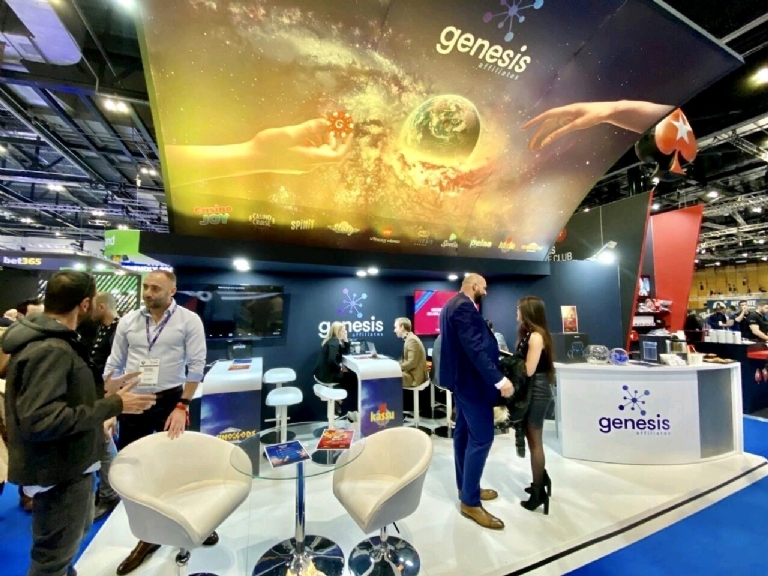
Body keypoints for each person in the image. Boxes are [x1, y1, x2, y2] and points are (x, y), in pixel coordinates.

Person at [2, 271, 153, 576]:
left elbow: (58, 396)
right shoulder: (51, 348)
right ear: (85, 304)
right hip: (60, 469)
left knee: (68, 542)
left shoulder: (50, 341)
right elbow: (41, 419)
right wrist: (114, 404)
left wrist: (102, 390)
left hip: (69, 466)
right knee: (52, 558)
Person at [104, 270, 209, 575]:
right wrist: (110, 405)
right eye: (146, 287)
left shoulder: (189, 321)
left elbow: (196, 365)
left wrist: (182, 405)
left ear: (172, 291)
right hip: (132, 398)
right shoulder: (129, 321)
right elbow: (114, 362)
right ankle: (148, 536)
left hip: (171, 399)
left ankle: (191, 521)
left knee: (178, 464)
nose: (148, 293)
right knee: (134, 468)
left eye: (155, 288)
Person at [439, 273, 513, 531]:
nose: (486, 292)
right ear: (474, 286)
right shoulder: (463, 307)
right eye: (484, 287)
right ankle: (470, 502)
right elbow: (474, 348)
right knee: (482, 437)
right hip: (472, 384)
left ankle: (467, 487)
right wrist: (499, 379)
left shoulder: (451, 304)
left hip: (462, 382)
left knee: (462, 434)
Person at [515, 296, 555, 515]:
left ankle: (539, 491)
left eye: (519, 309)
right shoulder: (530, 334)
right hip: (533, 389)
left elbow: (529, 369)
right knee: (532, 439)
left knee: (535, 440)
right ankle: (540, 479)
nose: (517, 312)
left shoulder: (536, 337)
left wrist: (510, 364)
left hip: (537, 391)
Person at [89, 292, 122, 521]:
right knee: (102, 441)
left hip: (108, 393)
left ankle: (109, 492)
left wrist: (113, 402)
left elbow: (119, 365)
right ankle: (107, 490)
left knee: (105, 441)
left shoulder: (119, 330)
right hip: (97, 392)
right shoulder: (101, 328)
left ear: (101, 307)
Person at [314, 321, 357, 420]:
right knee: (353, 378)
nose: (345, 332)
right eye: (343, 331)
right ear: (337, 331)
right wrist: (341, 368)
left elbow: (346, 354)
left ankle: (339, 401)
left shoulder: (334, 340)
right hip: (326, 375)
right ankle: (340, 401)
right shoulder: (334, 342)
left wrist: (346, 340)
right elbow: (331, 361)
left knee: (350, 376)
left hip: (324, 373)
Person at [393, 318, 428, 387]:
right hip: (410, 374)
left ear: (402, 327)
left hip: (414, 378)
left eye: (396, 327)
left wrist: (395, 367)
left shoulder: (412, 340)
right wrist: (394, 365)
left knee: (389, 377)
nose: (394, 330)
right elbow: (406, 361)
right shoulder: (409, 339)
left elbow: (412, 363)